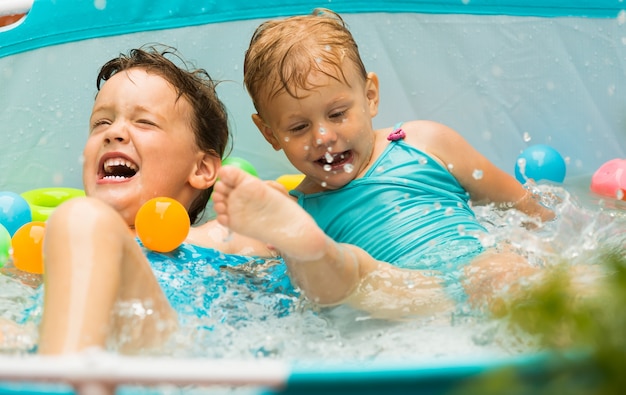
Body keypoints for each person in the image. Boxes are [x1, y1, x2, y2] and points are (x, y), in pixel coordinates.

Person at [211, 9, 556, 319]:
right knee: (355, 275)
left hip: (480, 269)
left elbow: (526, 208)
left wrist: (548, 253)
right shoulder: (294, 207)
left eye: (337, 114)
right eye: (299, 128)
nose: (322, 136)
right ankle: (306, 248)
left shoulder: (425, 142)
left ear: (370, 96)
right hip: (404, 294)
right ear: (270, 134)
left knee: (500, 270)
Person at [36, 46, 275, 355]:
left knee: (83, 217)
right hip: (83, 360)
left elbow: (285, 251)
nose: (114, 133)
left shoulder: (218, 237)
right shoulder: (61, 243)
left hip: (171, 353)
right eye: (101, 123)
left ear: (201, 169)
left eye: (144, 122)